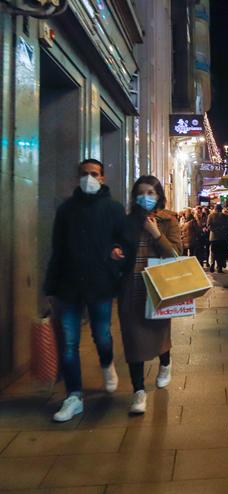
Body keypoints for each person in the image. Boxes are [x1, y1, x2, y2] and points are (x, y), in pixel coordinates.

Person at [45, 158, 127, 422]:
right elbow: (57, 249)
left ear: (102, 178)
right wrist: (51, 285)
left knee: (101, 334)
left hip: (100, 284)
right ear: (77, 177)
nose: (89, 178)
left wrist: (117, 256)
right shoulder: (66, 210)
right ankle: (74, 396)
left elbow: (123, 241)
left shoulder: (113, 209)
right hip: (68, 286)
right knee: (69, 343)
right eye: (84, 174)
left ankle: (106, 363)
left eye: (94, 174)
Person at [118, 176, 182, 414]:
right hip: (131, 288)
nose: (146, 197)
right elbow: (117, 247)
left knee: (159, 334)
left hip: (158, 288)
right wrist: (116, 253)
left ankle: (165, 362)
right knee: (133, 340)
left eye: (151, 193)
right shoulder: (126, 222)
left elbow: (176, 254)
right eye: (141, 192)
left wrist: (156, 233)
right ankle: (138, 392)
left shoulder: (168, 221)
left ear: (159, 197)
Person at [207, 204, 228, 273]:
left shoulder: (210, 216)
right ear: (221, 209)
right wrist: (222, 230)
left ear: (215, 209)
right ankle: (219, 267)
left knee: (213, 252)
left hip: (213, 237)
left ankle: (212, 264)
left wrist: (215, 230)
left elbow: (208, 225)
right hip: (222, 237)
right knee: (221, 252)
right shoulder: (225, 216)